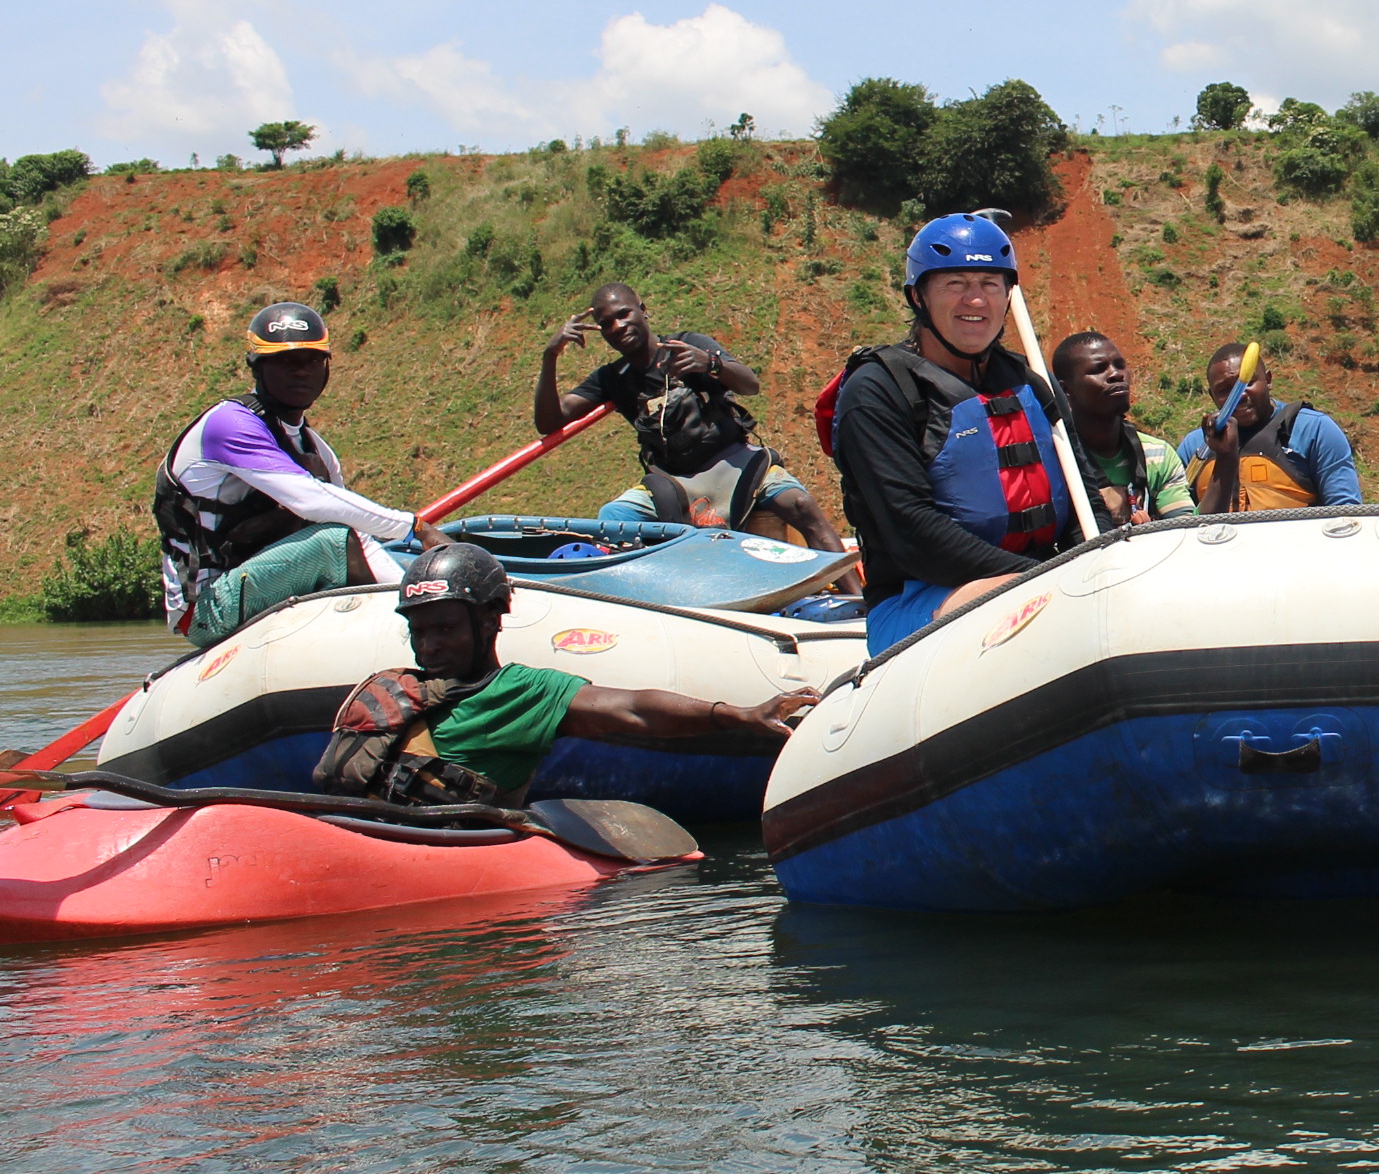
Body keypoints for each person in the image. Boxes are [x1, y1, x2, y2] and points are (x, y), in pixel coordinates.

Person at [313, 544, 814, 808]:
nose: (430, 645)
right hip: (358, 831)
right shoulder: (397, 687)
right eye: (420, 632)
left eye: (445, 628)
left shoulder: (521, 692)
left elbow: (632, 709)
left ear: (490, 618)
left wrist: (736, 715)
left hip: (440, 844)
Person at [825, 214, 1084, 655]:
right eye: (955, 283)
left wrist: (1088, 564)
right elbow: (913, 534)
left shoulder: (1030, 381)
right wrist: (1044, 578)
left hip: (1041, 575)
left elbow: (1085, 494)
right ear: (917, 296)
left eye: (989, 283)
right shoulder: (876, 392)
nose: (976, 299)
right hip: (918, 598)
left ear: (1008, 296)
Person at [153, 302, 420, 648]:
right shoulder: (228, 425)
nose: (301, 372)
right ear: (257, 368)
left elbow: (349, 522)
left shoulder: (316, 450)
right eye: (285, 362)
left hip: (273, 583)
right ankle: (416, 625)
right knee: (332, 542)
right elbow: (312, 503)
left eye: (312, 361)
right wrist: (414, 527)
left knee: (352, 540)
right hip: (208, 609)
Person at [534, 283, 838, 550]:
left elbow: (750, 385)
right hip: (674, 481)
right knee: (613, 518)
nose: (617, 326)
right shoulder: (612, 378)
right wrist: (550, 355)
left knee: (801, 504)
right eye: (607, 323)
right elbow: (549, 422)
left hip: (735, 462)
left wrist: (711, 364)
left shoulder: (686, 344)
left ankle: (858, 599)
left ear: (643, 311)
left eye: (624, 314)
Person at [1175, 342, 1366, 512]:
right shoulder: (1196, 446)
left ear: (1268, 380)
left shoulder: (1314, 430)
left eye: (1247, 383)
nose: (1239, 395)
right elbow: (1180, 519)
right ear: (1212, 396)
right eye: (1225, 390)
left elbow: (1344, 512)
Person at [1052, 331, 1196, 532]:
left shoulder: (1157, 455)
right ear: (1066, 390)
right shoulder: (1054, 461)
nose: (1116, 374)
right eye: (1098, 369)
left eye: (1120, 365)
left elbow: (1186, 530)